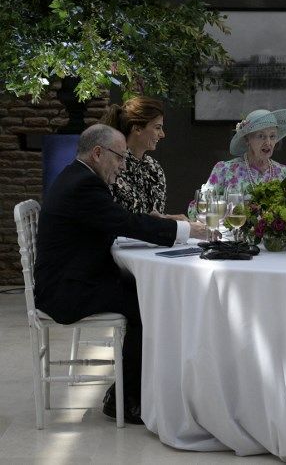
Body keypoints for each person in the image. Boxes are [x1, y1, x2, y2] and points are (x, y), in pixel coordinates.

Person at [33, 124, 207, 424]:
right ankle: (126, 399)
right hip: (65, 292)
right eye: (119, 158)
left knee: (144, 293)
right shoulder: (83, 185)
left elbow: (115, 223)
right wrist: (186, 230)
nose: (123, 166)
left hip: (72, 278)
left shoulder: (78, 176)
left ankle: (136, 389)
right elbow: (125, 221)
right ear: (98, 153)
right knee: (147, 302)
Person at [101, 96, 178, 216]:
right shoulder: (111, 165)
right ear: (137, 129)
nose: (162, 134)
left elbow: (156, 217)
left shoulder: (155, 169)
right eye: (157, 128)